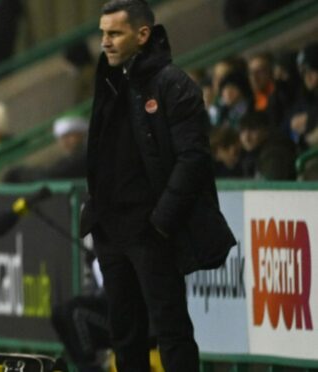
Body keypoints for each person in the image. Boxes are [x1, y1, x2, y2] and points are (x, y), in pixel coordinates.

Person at [80, 1, 233, 371]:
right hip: (110, 229)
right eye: (103, 33)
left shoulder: (172, 84)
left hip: (150, 230)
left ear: (142, 34)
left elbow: (193, 158)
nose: (106, 42)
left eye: (115, 33)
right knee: (125, 334)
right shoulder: (109, 79)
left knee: (171, 329)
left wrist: (161, 220)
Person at [2, 116, 88, 183]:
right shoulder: (71, 157)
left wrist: (18, 174)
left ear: (82, 135)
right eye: (62, 138)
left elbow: (53, 175)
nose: (65, 141)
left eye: (70, 135)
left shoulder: (84, 155)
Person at [239, 112, 297, 180]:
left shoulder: (275, 153)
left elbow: (273, 188)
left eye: (253, 130)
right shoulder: (250, 154)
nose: (246, 138)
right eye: (242, 131)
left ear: (266, 131)